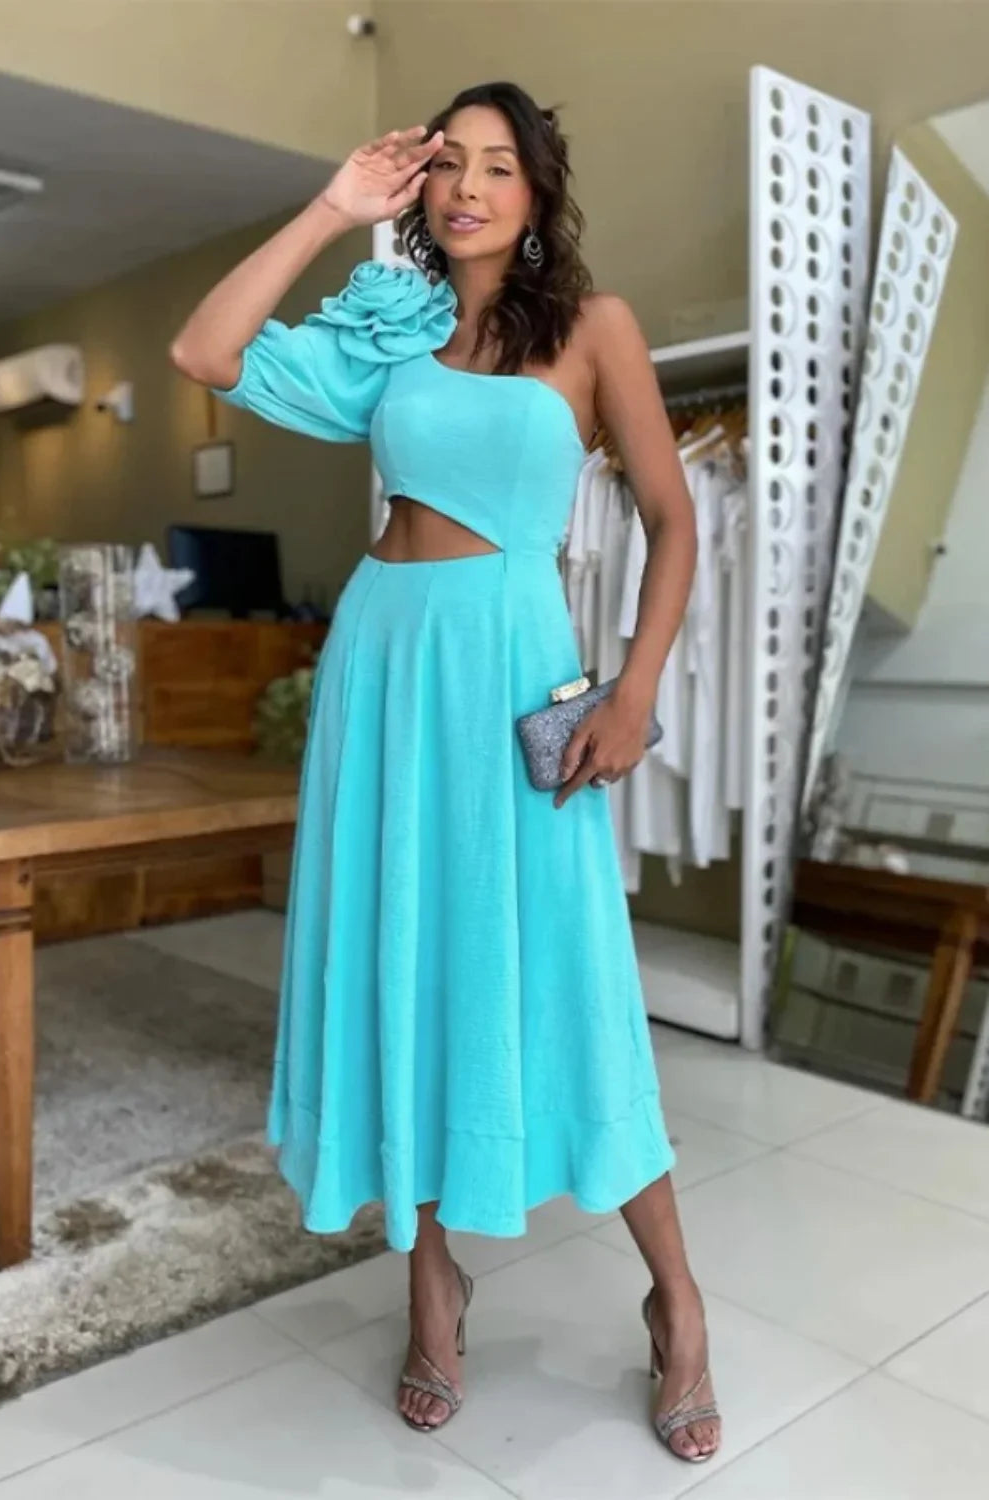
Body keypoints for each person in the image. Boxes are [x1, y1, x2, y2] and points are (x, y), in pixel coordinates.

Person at [171, 80, 720, 1465]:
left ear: (536, 196)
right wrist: (330, 208)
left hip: (511, 661)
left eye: (499, 167)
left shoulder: (594, 332)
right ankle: (432, 1282)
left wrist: (636, 687)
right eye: (446, 167)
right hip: (385, 668)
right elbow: (205, 348)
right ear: (418, 187)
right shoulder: (393, 329)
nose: (469, 187)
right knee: (406, 960)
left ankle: (679, 1299)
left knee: (567, 972)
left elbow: (671, 519)